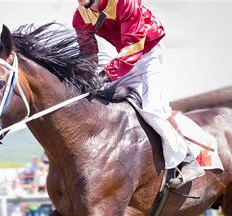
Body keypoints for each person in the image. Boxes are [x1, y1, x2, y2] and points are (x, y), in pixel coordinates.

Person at [72, 0, 204, 188]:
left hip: (148, 54)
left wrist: (106, 74)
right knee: (98, 99)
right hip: (123, 60)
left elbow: (135, 44)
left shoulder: (124, 2)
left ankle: (188, 160)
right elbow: (87, 52)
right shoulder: (80, 17)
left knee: (152, 107)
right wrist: (85, 78)